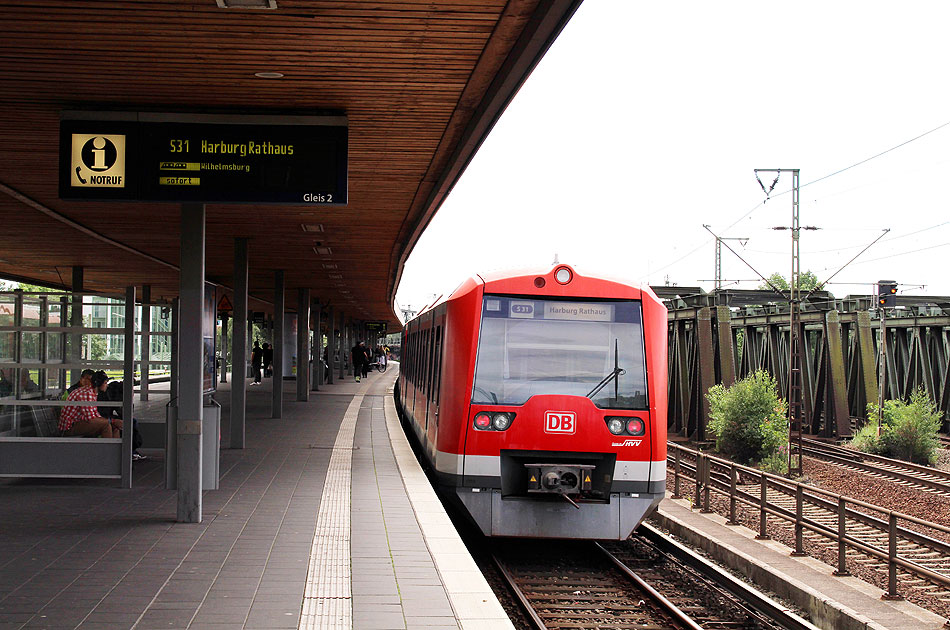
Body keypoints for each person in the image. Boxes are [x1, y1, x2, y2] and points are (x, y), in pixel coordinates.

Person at [58, 370, 122, 438]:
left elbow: (95, 415)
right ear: (99, 384)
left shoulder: (91, 392)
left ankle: (114, 448)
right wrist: (112, 421)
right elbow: (90, 419)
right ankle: (108, 448)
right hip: (69, 428)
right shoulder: (86, 393)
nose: (107, 385)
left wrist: (113, 422)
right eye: (105, 383)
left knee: (114, 426)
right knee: (106, 425)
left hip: (78, 423)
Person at [98, 375, 146, 461]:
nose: (107, 385)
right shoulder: (115, 391)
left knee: (128, 423)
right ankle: (128, 451)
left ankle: (128, 451)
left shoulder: (114, 389)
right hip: (104, 417)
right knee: (126, 424)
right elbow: (121, 410)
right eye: (105, 383)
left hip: (107, 416)